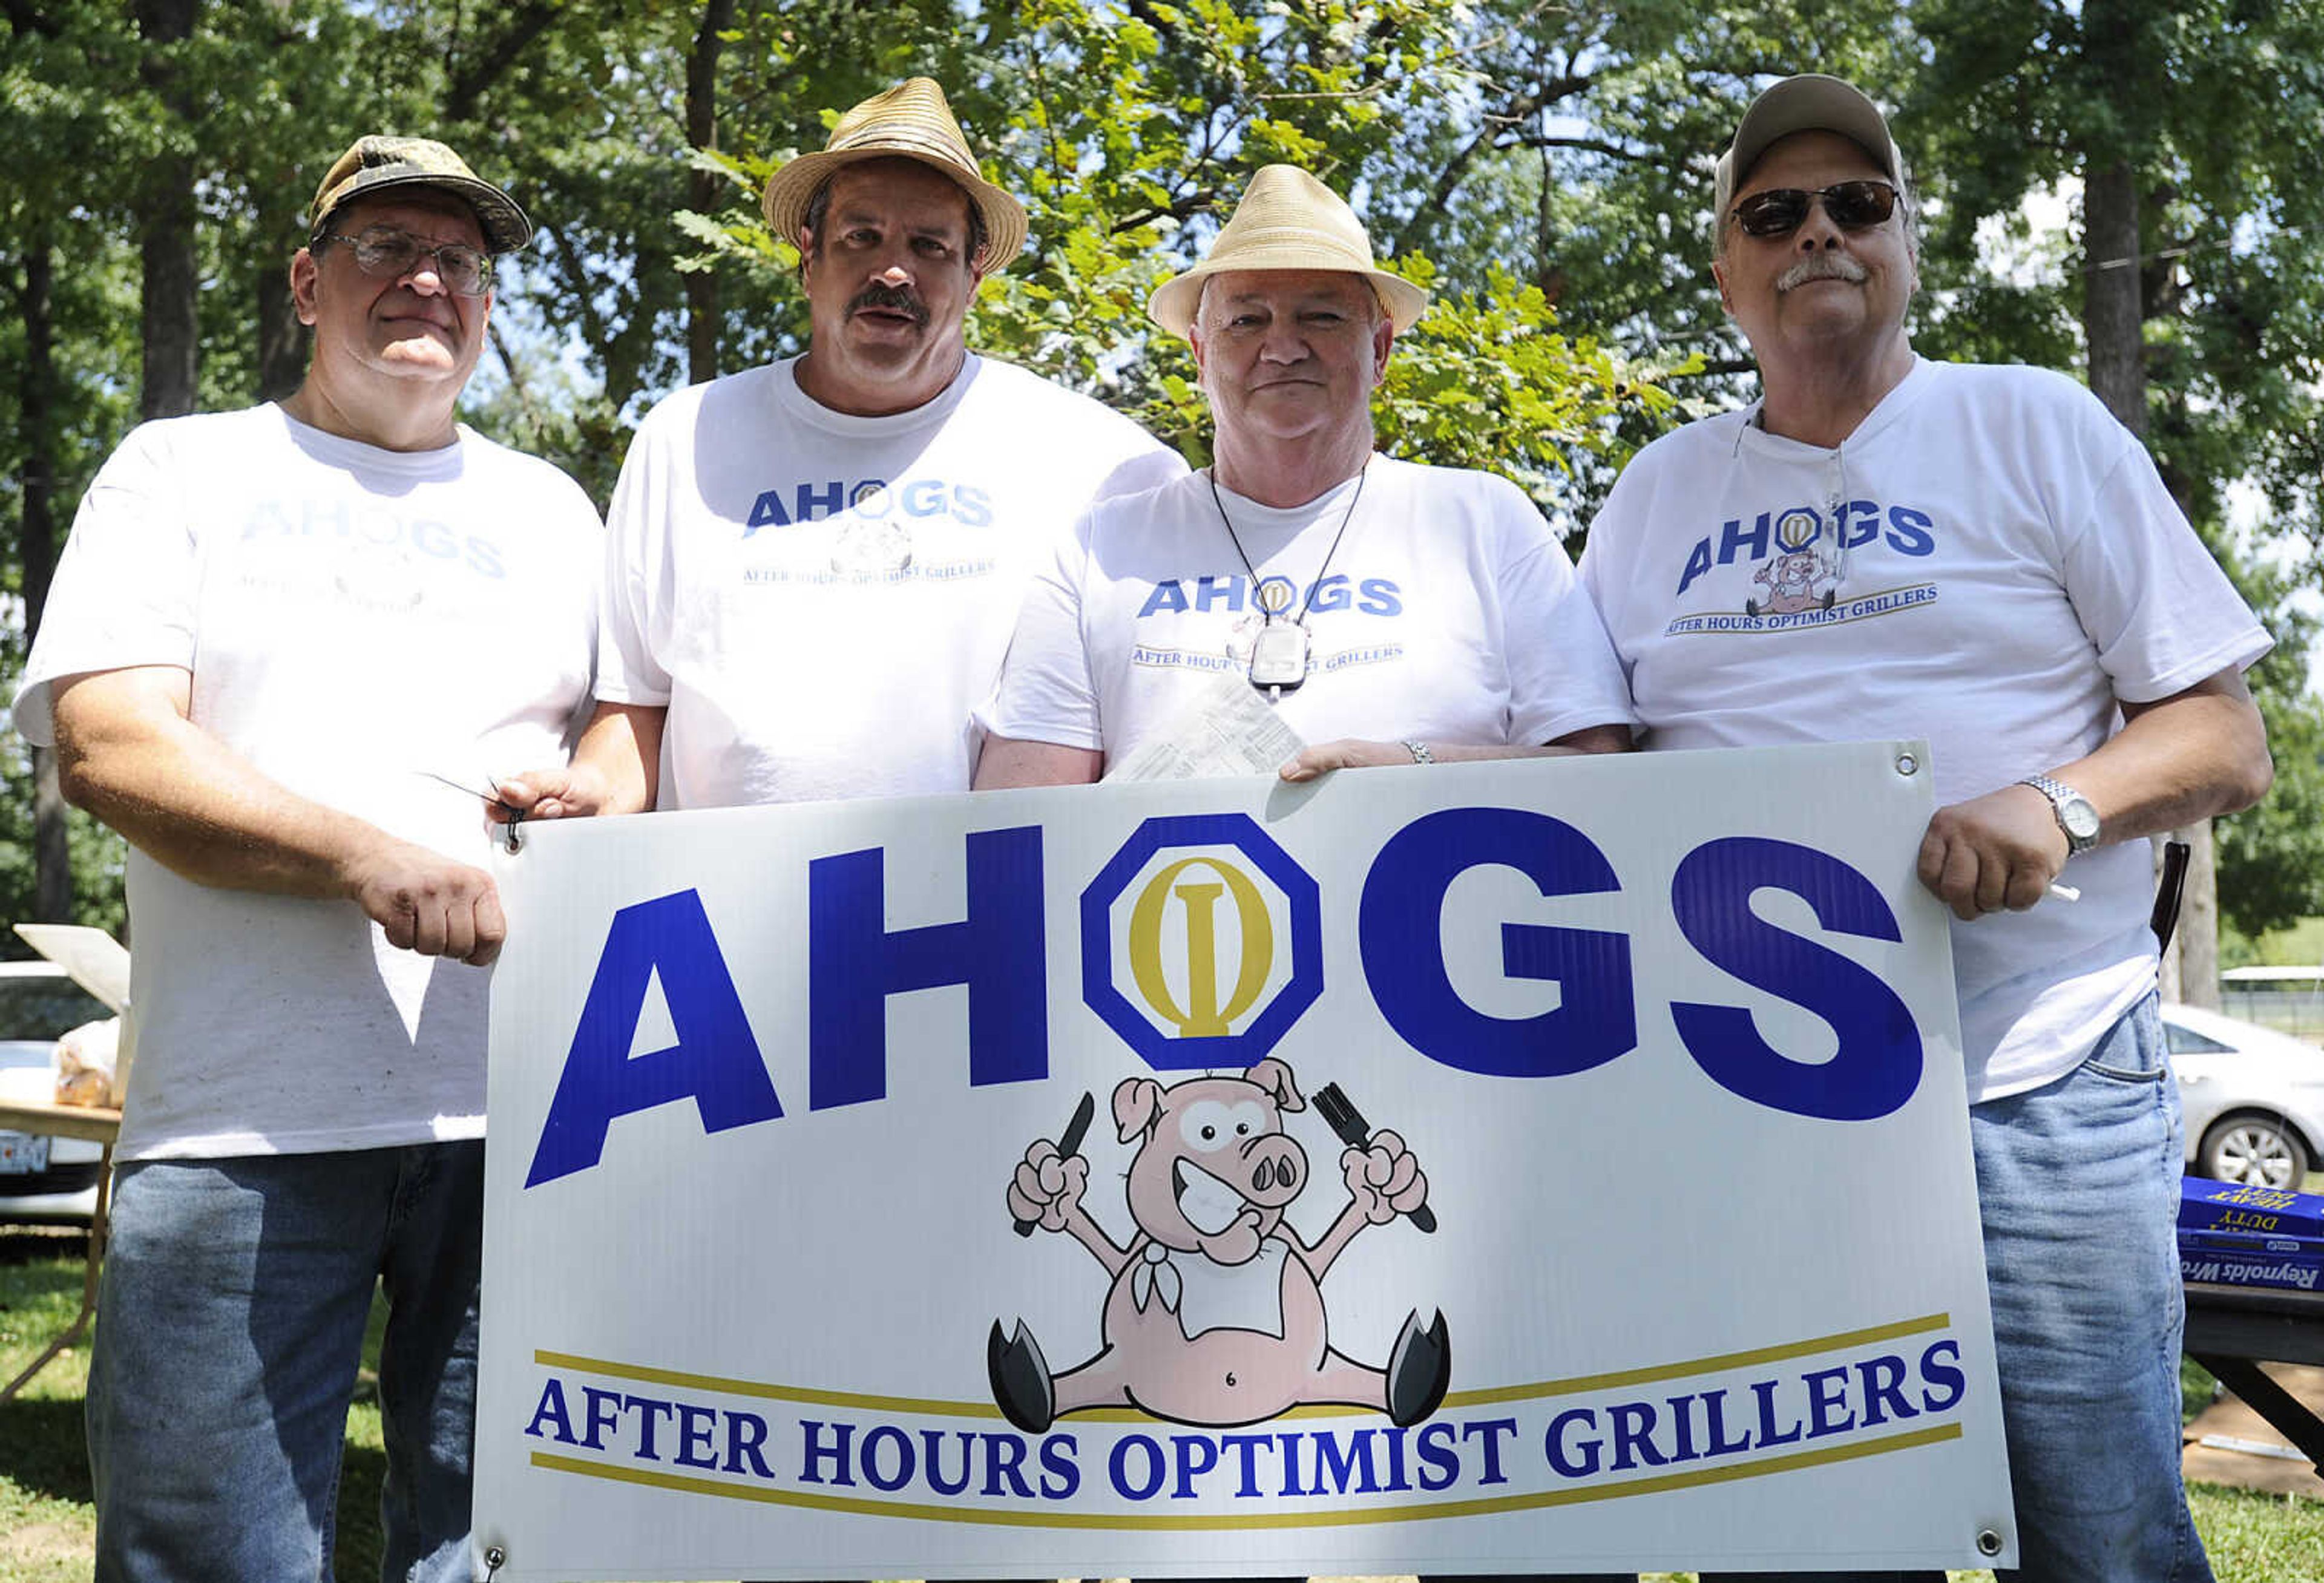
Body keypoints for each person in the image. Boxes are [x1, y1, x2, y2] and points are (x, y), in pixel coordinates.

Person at [1578, 74, 2273, 1582]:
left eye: (1856, 202)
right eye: (1774, 212)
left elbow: (2226, 735)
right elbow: (1584, 775)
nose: (1817, 231)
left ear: (1905, 240)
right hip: (1753, 1111)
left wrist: (2056, 802)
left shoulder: (2031, 424)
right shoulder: (1651, 495)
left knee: (2096, 1540)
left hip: (2037, 1077)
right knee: (1803, 1544)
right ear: (1725, 267)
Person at [13, 136, 600, 1581]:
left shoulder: (557, 513)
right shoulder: (183, 470)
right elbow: (112, 749)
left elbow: (629, 752)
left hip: (522, 1127)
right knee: (209, 1556)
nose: (426, 279)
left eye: (459, 260)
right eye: (384, 246)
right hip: (242, 1131)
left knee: (497, 1552)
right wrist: (363, 857)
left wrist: (593, 790)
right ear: (305, 280)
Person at [497, 77, 1181, 823]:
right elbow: (636, 712)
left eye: (930, 246)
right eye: (862, 237)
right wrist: (592, 793)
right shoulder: (684, 438)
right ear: (808, 255)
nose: (894, 272)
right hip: (724, 917)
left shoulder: (1096, 462)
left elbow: (1161, 715)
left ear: (973, 276)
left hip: (986, 917)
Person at [973, 163, 1633, 792]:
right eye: (1246, 320)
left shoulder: (1484, 520)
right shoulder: (1100, 549)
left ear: (1378, 350)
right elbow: (1018, 815)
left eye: (1321, 317)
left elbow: (1602, 769)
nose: (1283, 347)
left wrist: (1418, 769)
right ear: (1201, 355)